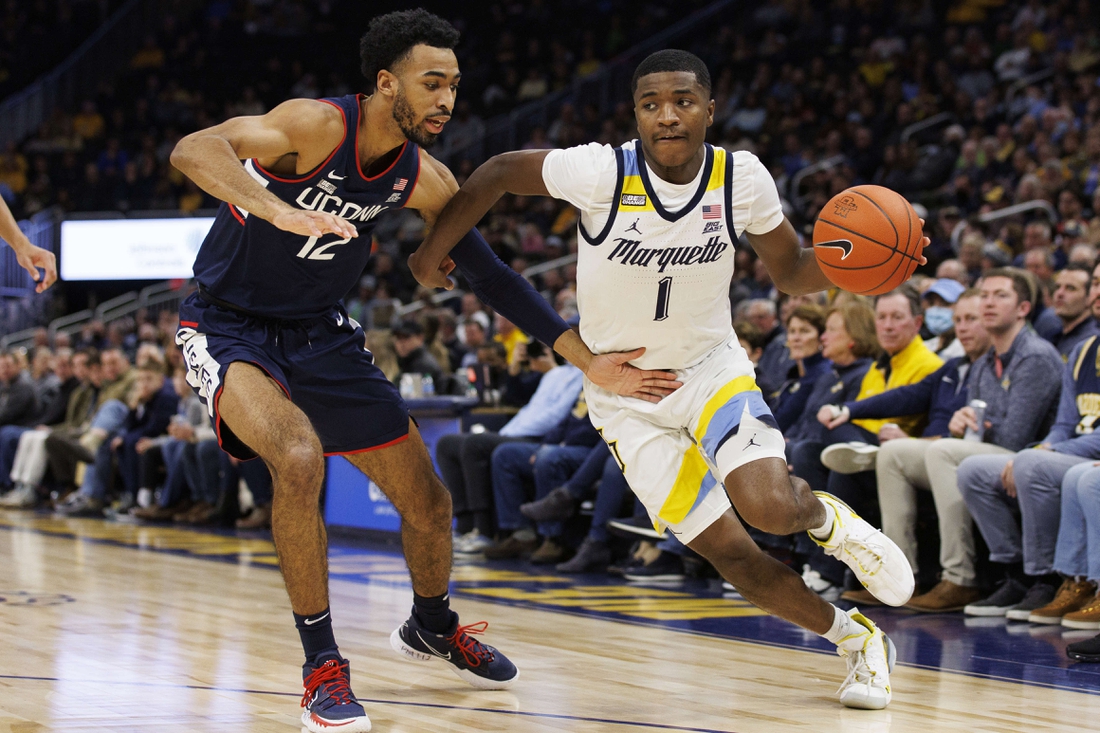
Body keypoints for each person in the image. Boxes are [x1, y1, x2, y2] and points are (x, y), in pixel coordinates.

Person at [166, 11, 676, 731]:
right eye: (432, 82)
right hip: (227, 324)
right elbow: (194, 148)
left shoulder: (421, 176)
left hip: (321, 334)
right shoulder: (313, 127)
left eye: (455, 86)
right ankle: (322, 667)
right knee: (299, 457)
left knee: (430, 504)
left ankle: (433, 624)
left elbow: (493, 276)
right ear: (385, 83)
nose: (447, 100)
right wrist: (274, 208)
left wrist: (587, 359)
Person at [410, 49, 926, 710]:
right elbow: (500, 172)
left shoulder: (742, 178)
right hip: (624, 398)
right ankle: (858, 640)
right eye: (651, 103)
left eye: (683, 100)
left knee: (769, 503)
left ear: (710, 109)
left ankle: (830, 522)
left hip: (710, 370)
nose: (668, 115)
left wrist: (866, 264)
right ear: (635, 115)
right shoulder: (601, 170)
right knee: (733, 556)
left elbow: (792, 268)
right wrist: (433, 252)